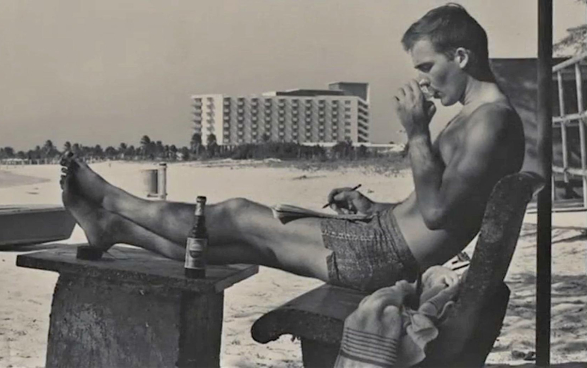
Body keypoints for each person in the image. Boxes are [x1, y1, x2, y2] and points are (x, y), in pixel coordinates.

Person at [59, 3, 524, 293]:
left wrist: (417, 133)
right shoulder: (477, 118)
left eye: (428, 66)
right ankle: (114, 227)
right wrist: (374, 206)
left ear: (461, 57)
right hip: (383, 241)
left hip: (384, 258)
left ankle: (110, 198)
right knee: (242, 238)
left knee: (239, 214)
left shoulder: (491, 123)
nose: (422, 79)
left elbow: (440, 214)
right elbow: (438, 208)